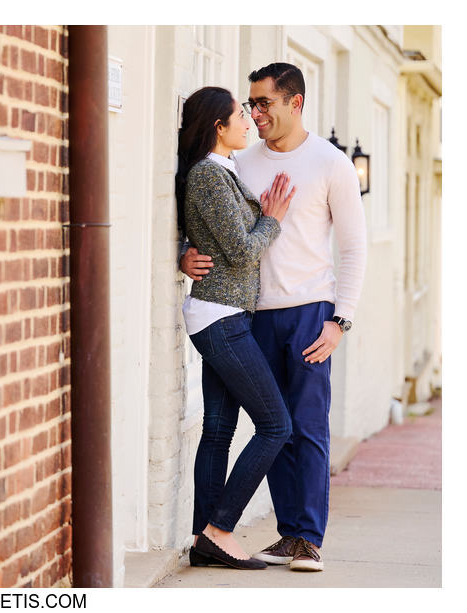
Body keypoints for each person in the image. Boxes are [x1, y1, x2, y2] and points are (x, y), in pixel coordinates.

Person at [181, 63, 368, 572]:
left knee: (306, 426)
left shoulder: (331, 164)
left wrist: (341, 319)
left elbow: (353, 248)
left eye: (264, 103)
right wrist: (184, 252)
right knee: (272, 426)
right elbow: (208, 216)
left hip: (310, 311)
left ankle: (308, 538)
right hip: (249, 315)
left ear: (295, 103)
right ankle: (285, 534)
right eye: (251, 104)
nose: (256, 112)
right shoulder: (241, 160)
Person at [176, 86, 296, 570]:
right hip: (221, 318)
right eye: (240, 116)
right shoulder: (208, 175)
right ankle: (220, 528)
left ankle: (206, 540)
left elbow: (215, 238)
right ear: (217, 128)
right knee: (276, 425)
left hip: (224, 315)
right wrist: (271, 219)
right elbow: (242, 250)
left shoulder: (224, 171)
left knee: (220, 429)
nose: (249, 121)